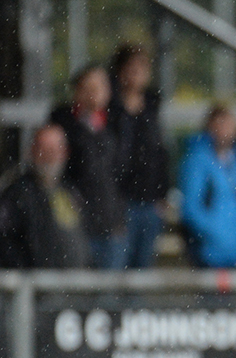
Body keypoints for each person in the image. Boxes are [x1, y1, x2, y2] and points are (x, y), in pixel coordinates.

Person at [50, 64, 126, 269]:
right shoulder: (62, 124)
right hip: (76, 225)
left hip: (112, 224)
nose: (95, 93)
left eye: (100, 86)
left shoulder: (117, 122)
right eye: (89, 87)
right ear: (78, 90)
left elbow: (125, 171)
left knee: (111, 285)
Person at [108, 44, 170, 268]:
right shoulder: (110, 109)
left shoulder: (152, 108)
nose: (136, 74)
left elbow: (160, 153)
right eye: (131, 68)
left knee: (142, 266)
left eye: (141, 68)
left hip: (149, 200)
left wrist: (162, 193)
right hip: (120, 200)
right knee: (117, 263)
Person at [0, 123, 91, 268]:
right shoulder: (18, 194)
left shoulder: (70, 191)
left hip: (76, 278)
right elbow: (6, 241)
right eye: (44, 149)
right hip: (36, 279)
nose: (50, 156)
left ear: (65, 152)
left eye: (55, 149)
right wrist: (27, 271)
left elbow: (83, 237)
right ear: (32, 151)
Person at [178, 103, 236, 268]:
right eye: (220, 124)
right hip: (208, 250)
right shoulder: (197, 160)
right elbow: (191, 207)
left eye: (229, 124)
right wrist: (214, 233)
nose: (225, 130)